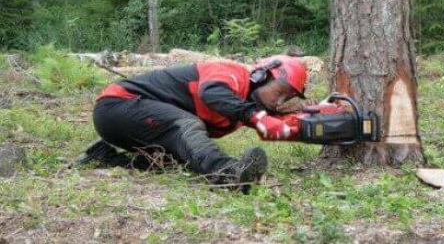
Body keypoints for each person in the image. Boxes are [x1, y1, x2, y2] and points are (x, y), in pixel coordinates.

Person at [83, 55, 308, 193]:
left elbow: (278, 127)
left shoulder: (244, 105)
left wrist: (321, 125)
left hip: (132, 122)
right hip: (119, 105)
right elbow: (212, 94)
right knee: (187, 125)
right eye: (279, 92)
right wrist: (259, 118)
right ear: (261, 76)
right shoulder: (231, 74)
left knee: (181, 158)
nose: (278, 101)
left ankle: (105, 156)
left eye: (285, 98)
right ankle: (229, 174)